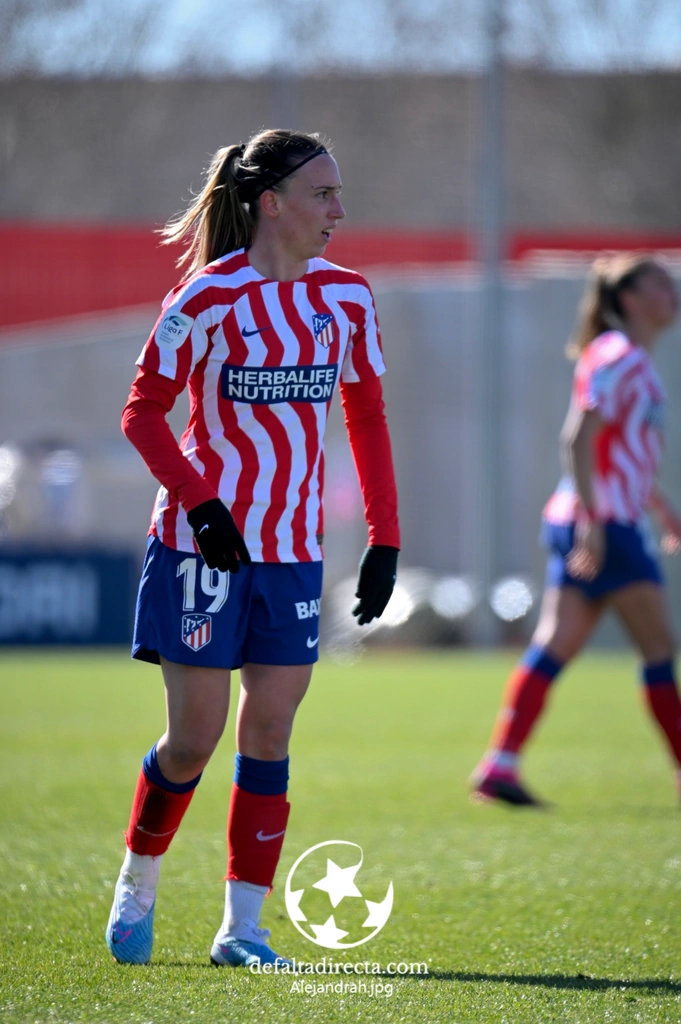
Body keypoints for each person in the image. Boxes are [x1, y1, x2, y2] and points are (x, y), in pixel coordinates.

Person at [106, 129, 400, 966]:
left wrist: (384, 538)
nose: (339, 210)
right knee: (194, 738)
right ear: (270, 202)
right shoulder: (206, 297)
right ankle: (137, 884)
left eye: (339, 195)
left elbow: (367, 417)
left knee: (269, 731)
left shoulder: (346, 298)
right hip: (203, 550)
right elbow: (142, 412)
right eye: (323, 195)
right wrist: (200, 506)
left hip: (292, 551)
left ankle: (243, 931)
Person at [471, 253, 681, 807]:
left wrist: (658, 505)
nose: (672, 292)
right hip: (603, 524)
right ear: (629, 298)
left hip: (595, 518)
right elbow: (577, 439)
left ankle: (500, 765)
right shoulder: (621, 357)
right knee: (660, 649)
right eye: (659, 284)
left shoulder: (624, 356)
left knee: (556, 645)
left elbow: (619, 449)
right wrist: (595, 522)